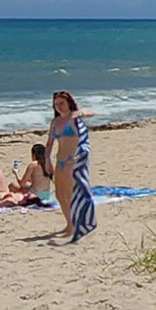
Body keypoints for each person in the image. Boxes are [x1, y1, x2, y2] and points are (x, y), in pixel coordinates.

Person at [49, 90, 96, 242]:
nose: (59, 107)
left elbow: (92, 113)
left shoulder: (75, 118)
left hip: (72, 161)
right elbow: (49, 143)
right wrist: (47, 160)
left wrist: (79, 113)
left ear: (69, 103)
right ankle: (69, 224)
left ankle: (75, 225)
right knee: (59, 194)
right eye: (56, 104)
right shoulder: (55, 122)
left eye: (62, 103)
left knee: (70, 194)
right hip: (60, 161)